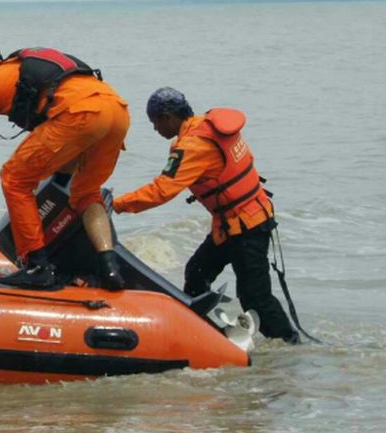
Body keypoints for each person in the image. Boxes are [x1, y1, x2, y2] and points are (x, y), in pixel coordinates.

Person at [112, 87, 299, 342]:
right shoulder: (207, 127)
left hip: (247, 227)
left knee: (256, 297)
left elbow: (162, 190)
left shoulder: (194, 145)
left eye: (155, 123)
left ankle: (290, 346)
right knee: (197, 273)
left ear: (168, 117)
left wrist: (116, 204)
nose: (156, 130)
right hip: (234, 224)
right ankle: (209, 334)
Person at [0, 44, 130, 290]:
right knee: (86, 193)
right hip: (117, 112)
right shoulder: (26, 69)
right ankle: (110, 269)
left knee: (14, 178)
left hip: (79, 113)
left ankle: (37, 267)